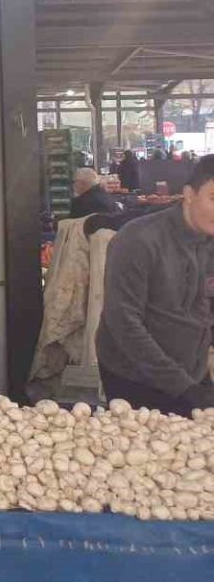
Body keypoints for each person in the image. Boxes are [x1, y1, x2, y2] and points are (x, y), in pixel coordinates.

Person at [95, 156, 214, 416]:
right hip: (135, 375)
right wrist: (183, 387)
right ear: (189, 195)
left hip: (191, 371)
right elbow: (124, 322)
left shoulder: (209, 240)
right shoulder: (138, 240)